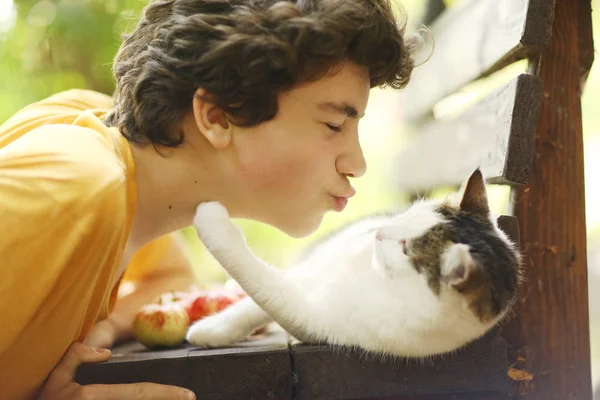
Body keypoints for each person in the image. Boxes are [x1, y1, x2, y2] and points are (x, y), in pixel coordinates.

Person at [0, 0, 416, 398]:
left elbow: (167, 280)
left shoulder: (119, 174)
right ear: (217, 116)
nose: (357, 163)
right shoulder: (74, 186)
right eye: (332, 124)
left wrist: (105, 327)